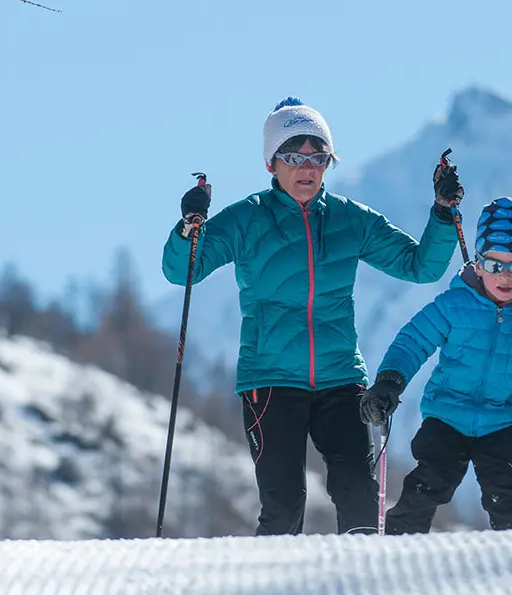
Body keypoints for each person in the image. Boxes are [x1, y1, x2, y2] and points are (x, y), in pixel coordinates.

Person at [161, 96, 466, 536]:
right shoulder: (247, 220)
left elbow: (422, 266)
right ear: (272, 164)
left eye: (318, 157)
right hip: (269, 381)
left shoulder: (351, 219)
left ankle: (360, 592)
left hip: (340, 378)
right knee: (283, 505)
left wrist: (442, 213)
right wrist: (190, 228)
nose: (307, 167)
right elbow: (181, 271)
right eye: (293, 156)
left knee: (359, 494)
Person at [359, 196, 512, 533]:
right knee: (431, 480)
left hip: (502, 420)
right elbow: (413, 342)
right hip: (446, 415)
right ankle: (399, 542)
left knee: (505, 489)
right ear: (478, 263)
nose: (505, 276)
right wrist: (389, 382)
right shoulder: (454, 304)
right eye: (495, 265)